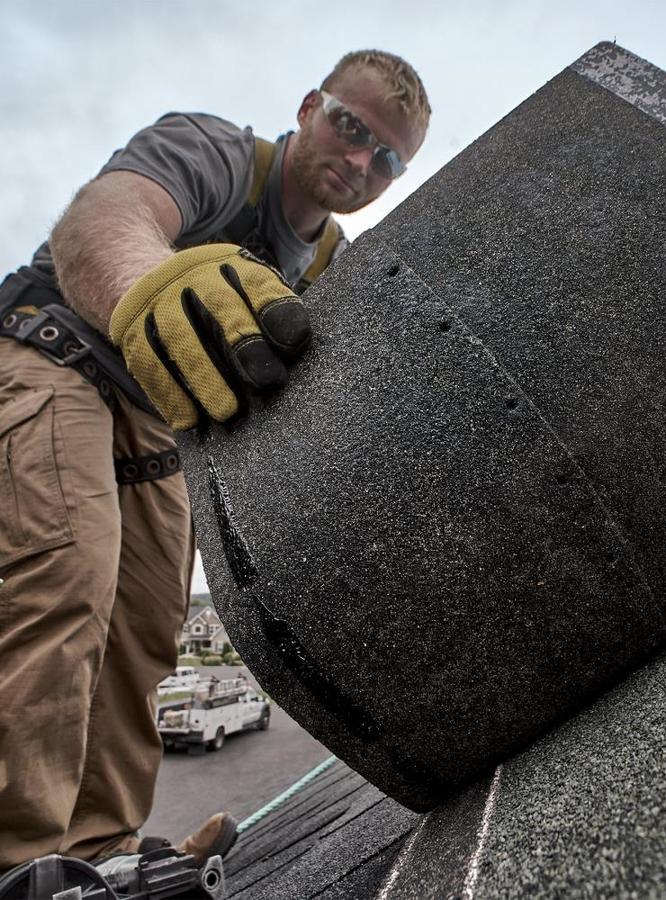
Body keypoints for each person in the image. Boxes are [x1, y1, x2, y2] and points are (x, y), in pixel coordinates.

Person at [0, 49, 430, 872]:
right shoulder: (217, 153)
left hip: (160, 423)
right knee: (67, 580)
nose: (359, 161)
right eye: (351, 127)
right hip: (54, 350)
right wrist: (151, 287)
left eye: (387, 158)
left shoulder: (331, 263)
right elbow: (101, 221)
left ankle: (100, 853)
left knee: (148, 628)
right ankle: (15, 860)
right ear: (309, 107)